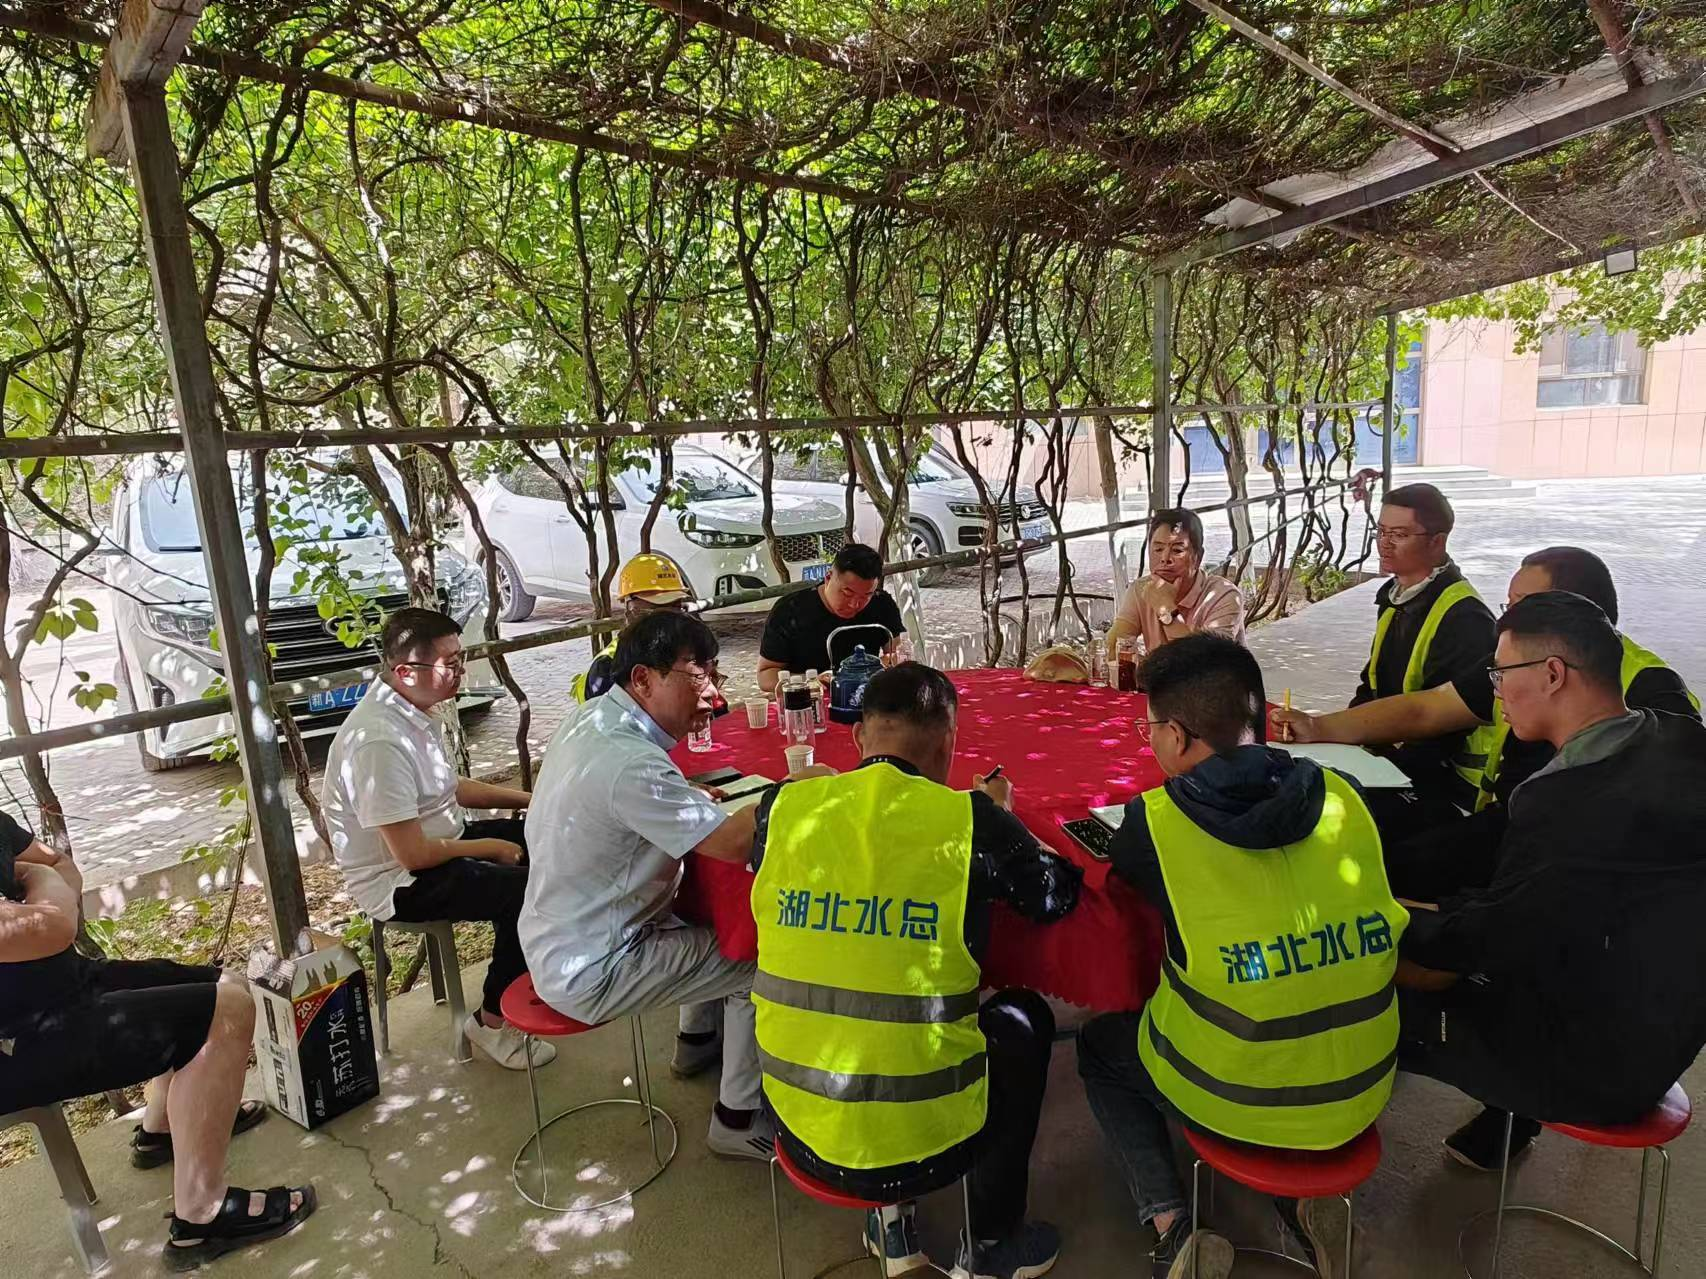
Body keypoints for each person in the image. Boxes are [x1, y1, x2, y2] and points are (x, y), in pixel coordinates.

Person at [1077, 634, 1408, 1279]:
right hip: (1366, 1082)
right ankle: (1307, 1201)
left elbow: (1139, 900)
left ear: (1176, 736)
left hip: (1231, 1092)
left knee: (1101, 1047)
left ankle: (1173, 1228)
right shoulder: (1345, 796)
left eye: (1151, 730)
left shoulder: (1155, 823)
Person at [750, 662, 1081, 1279]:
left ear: (857, 737)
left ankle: (892, 1221)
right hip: (931, 1145)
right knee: (1023, 1017)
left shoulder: (784, 807)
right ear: (949, 742)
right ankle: (992, 1243)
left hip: (795, 1122)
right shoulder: (968, 820)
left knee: (860, 982)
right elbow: (1053, 896)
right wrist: (1001, 815)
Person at [1397, 591, 1706, 1172]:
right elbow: (1542, 903)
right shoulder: (1679, 739)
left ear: (1553, 674)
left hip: (1590, 1072)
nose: (1496, 692)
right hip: (1662, 1041)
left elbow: (1484, 942)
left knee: (1366, 985)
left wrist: (1380, 916)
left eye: (1500, 673)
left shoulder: (1567, 801)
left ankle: (1305, 1158)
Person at [1272, 547, 1697, 896]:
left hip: (1571, 861)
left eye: (1520, 607)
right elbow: (1427, 709)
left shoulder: (1654, 692)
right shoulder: (1518, 661)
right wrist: (1320, 727)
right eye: (1507, 606)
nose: (1504, 621)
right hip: (1502, 820)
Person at [0, 814, 315, 1269]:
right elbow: (51, 925)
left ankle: (161, 1129)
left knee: (227, 984)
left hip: (67, 985)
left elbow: (63, 869)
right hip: (20, 1041)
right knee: (226, 1012)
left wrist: (47, 892)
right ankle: (201, 1216)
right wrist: (41, 884)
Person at [521, 610, 778, 1159]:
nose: (712, 694)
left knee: (707, 914)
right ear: (642, 679)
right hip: (597, 964)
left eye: (714, 674)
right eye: (698, 675)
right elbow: (733, 845)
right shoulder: (630, 763)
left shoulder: (591, 719)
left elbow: (626, 798)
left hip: (558, 935)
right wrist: (792, 790)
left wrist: (681, 795)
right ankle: (736, 1120)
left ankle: (697, 1042)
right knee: (756, 960)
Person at [321, 607, 547, 1070]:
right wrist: (492, 848)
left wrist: (535, 801)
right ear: (405, 671)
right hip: (398, 882)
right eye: (451, 664)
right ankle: (491, 1022)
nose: (461, 673)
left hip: (445, 842)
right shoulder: (377, 741)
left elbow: (450, 788)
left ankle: (541, 973)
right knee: (527, 892)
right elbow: (413, 855)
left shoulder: (411, 711)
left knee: (551, 835)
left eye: (462, 660)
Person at [1348, 483, 1495, 819]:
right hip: (1390, 759)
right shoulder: (1396, 596)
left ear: (1437, 541)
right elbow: (1371, 684)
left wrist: (1376, 764)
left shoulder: (1464, 616)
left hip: (1447, 788)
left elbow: (1443, 727)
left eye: (1399, 534)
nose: (1384, 543)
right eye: (1381, 531)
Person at [757, 543, 905, 691]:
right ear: (828, 577)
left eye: (866, 595)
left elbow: (898, 653)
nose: (854, 604)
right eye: (847, 593)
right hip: (808, 698)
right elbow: (765, 676)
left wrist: (887, 663)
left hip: (865, 697)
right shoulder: (789, 611)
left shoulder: (881, 603)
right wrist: (811, 681)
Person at [1107, 508, 1245, 660]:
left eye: (1177, 550)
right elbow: (1113, 647)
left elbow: (1204, 666)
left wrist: (1166, 610)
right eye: (1158, 549)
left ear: (1198, 557)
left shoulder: (1224, 596)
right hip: (1161, 675)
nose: (1165, 558)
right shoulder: (1141, 590)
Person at [573, 551, 693, 703]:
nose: (670, 619)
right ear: (630, 609)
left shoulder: (685, 651)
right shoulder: (608, 669)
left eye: (675, 608)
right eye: (657, 608)